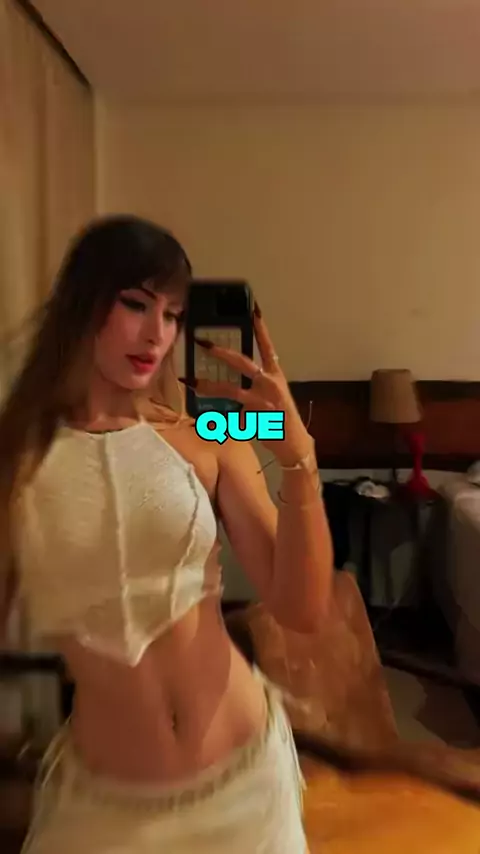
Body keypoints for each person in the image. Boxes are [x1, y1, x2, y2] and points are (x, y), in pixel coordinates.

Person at [0, 215, 333, 853]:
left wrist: (300, 458)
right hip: (102, 808)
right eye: (136, 304)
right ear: (84, 304)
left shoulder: (210, 432)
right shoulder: (18, 455)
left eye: (173, 314)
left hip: (244, 786)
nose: (157, 333)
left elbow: (302, 607)